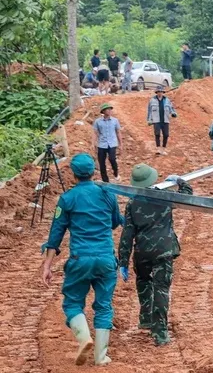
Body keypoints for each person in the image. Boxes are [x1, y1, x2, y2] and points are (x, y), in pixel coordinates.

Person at [40, 153, 125, 366]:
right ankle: (100, 356)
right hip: (106, 258)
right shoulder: (108, 195)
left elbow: (55, 235)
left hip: (80, 259)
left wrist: (47, 266)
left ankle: (84, 337)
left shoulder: (67, 199)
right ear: (93, 171)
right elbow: (116, 222)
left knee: (72, 303)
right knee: (104, 306)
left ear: (74, 174)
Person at [118, 165, 192, 346]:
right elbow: (188, 196)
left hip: (142, 251)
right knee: (161, 288)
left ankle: (145, 318)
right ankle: (160, 333)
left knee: (143, 281)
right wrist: (179, 180)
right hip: (163, 250)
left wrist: (123, 262)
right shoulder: (163, 196)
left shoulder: (132, 203)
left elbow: (127, 234)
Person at [93, 103, 122, 182]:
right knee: (101, 162)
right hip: (102, 144)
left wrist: (120, 144)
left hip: (112, 143)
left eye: (110, 109)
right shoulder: (97, 122)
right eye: (107, 109)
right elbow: (95, 133)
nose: (109, 111)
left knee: (112, 159)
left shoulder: (115, 121)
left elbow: (118, 132)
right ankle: (105, 180)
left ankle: (116, 174)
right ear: (103, 111)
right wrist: (94, 143)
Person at [147, 86, 177, 155]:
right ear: (156, 92)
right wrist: (149, 119)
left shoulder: (167, 100)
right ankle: (158, 149)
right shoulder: (152, 100)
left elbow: (171, 108)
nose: (160, 93)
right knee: (157, 134)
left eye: (161, 92)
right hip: (156, 120)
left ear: (163, 92)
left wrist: (173, 113)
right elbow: (149, 111)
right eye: (158, 92)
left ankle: (163, 149)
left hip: (165, 120)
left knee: (166, 135)